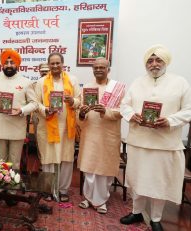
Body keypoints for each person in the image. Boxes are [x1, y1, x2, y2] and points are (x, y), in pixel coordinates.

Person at [119, 45, 191, 231]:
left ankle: (156, 218)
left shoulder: (180, 82)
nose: (154, 64)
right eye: (150, 61)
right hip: (139, 141)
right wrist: (131, 115)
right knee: (137, 179)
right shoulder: (137, 82)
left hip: (165, 143)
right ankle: (136, 212)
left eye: (158, 60)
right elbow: (124, 105)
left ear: (166, 61)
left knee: (159, 183)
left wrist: (169, 120)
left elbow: (189, 110)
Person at [77, 57, 125, 213]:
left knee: (104, 169)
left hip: (108, 134)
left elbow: (123, 111)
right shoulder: (86, 88)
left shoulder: (118, 88)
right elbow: (79, 111)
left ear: (108, 69)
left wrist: (106, 111)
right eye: (95, 67)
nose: (98, 69)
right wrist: (82, 114)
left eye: (101, 67)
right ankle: (88, 197)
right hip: (90, 132)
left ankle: (101, 200)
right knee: (89, 167)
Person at [33, 52, 81, 202]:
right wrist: (45, 109)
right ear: (48, 65)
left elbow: (80, 100)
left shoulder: (72, 80)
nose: (55, 66)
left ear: (62, 64)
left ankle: (63, 190)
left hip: (67, 126)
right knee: (48, 158)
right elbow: (36, 103)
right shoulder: (41, 82)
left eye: (57, 63)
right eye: (52, 63)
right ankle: (48, 189)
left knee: (66, 159)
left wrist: (72, 100)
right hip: (47, 126)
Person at [0, 49, 36, 170]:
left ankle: (13, 188)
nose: (8, 65)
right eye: (6, 62)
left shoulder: (26, 82)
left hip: (17, 127)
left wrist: (22, 110)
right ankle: (2, 187)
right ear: (2, 64)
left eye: (12, 62)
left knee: (15, 161)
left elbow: (34, 103)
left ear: (17, 64)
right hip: (0, 126)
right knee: (1, 161)